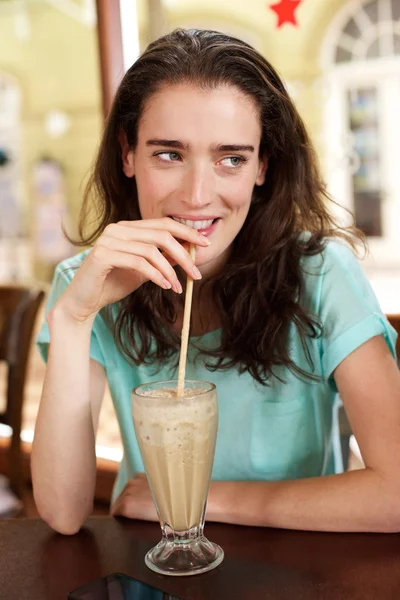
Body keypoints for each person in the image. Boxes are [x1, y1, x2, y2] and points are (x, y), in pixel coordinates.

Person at [32, 28, 400, 536]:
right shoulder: (87, 285)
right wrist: (73, 319)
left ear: (262, 166)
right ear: (127, 154)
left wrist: (203, 500)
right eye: (169, 154)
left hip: (299, 568)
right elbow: (62, 512)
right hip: (151, 568)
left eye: (231, 158)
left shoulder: (320, 275)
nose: (198, 195)